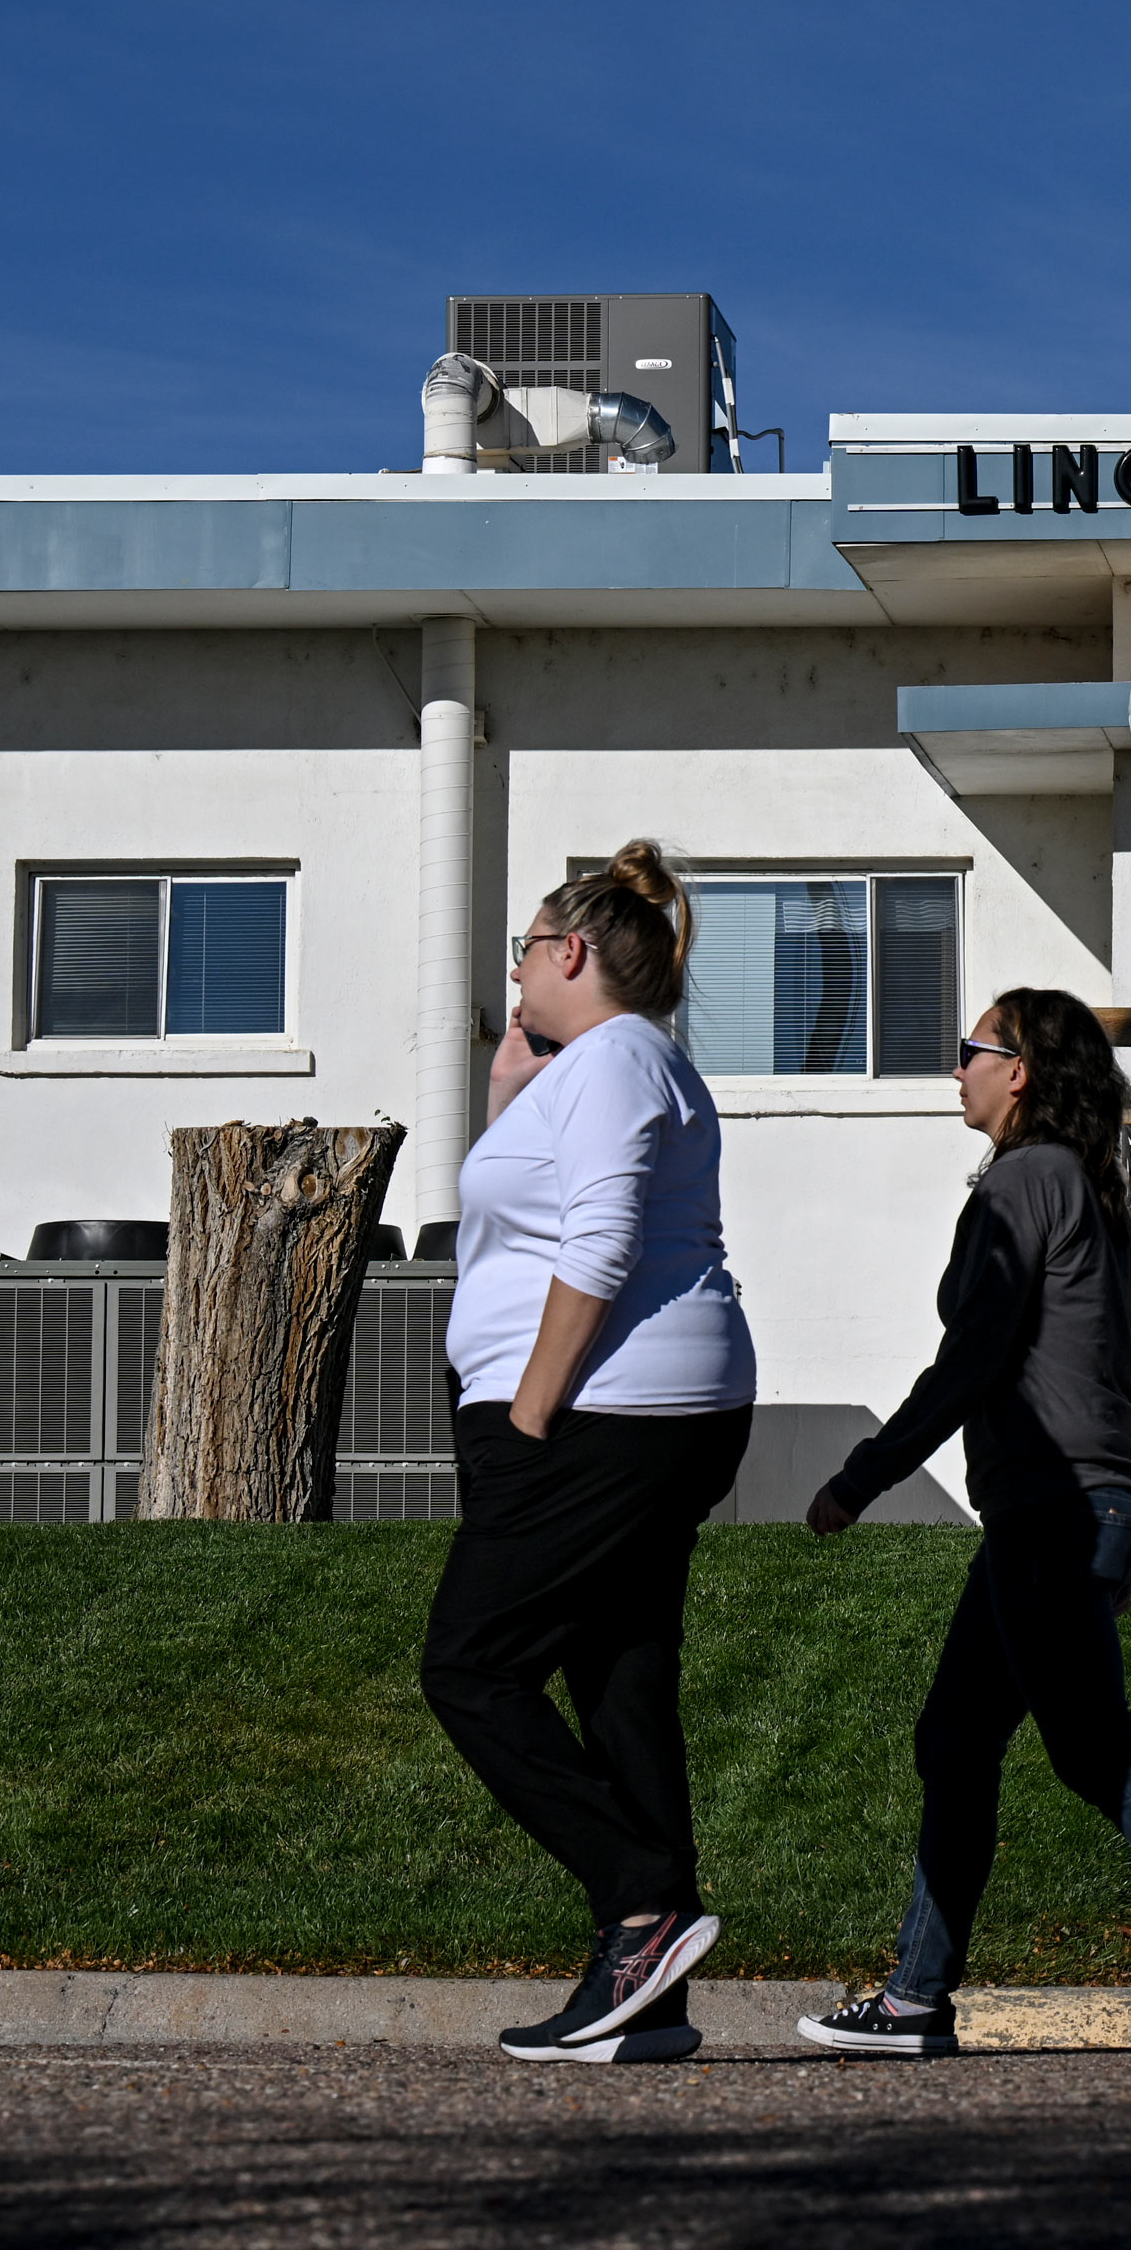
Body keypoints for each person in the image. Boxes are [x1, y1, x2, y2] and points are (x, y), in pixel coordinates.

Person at [797, 985, 1131, 2059]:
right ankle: (915, 1997)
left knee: (1092, 1749)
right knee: (956, 1738)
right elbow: (1101, 1368)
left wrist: (860, 1478)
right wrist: (1122, 1511)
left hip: (1050, 1506)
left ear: (1023, 1070)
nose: (955, 1066)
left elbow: (973, 1357)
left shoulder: (1029, 1178)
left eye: (972, 1048)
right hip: (1057, 1508)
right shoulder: (1077, 1187)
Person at [420, 841, 757, 2066]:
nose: (512, 972)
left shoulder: (617, 1060)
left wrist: (527, 1416)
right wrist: (515, 1074)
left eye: (523, 950)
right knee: (619, 1676)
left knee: (470, 1666)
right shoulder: (604, 1065)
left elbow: (600, 1245)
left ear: (568, 951)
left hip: (599, 1413)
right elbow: (539, 1199)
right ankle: (648, 1996)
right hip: (627, 1412)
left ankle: (640, 1895)